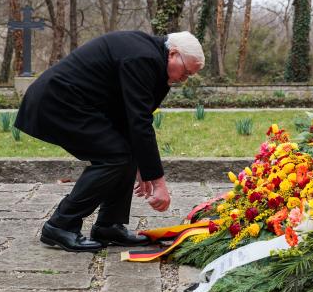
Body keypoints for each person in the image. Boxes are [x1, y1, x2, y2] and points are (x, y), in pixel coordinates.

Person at [14, 30, 204, 252]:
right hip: (58, 102)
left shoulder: (154, 61)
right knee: (114, 156)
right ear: (173, 54)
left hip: (79, 104)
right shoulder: (143, 58)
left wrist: (142, 164)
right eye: (186, 72)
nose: (184, 79)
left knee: (124, 152)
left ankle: (109, 225)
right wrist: (159, 183)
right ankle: (61, 224)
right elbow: (139, 122)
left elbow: (132, 119)